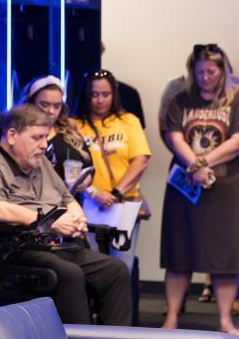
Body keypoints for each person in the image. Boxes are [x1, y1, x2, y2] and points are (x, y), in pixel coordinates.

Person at [0, 104, 132, 325]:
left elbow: (67, 198)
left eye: (45, 137)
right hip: (2, 252)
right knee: (69, 274)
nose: (44, 145)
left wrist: (77, 218)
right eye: (37, 138)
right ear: (12, 135)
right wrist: (51, 222)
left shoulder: (41, 164)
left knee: (114, 270)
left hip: (47, 247)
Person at [160, 44, 239, 334]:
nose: (205, 77)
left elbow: (236, 141)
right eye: (200, 71)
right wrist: (195, 167)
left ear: (223, 70)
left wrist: (204, 162)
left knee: (225, 257)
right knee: (179, 252)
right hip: (185, 186)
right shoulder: (180, 99)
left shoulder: (236, 99)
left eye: (211, 71)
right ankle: (171, 317)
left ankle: (224, 321)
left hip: (226, 187)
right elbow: (174, 136)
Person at [72, 69, 151, 273]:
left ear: (113, 95)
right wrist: (93, 193)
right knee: (92, 266)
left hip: (123, 204)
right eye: (94, 94)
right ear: (86, 96)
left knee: (123, 265)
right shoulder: (75, 125)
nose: (100, 100)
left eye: (105, 95)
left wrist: (116, 193)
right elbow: (70, 169)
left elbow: (140, 161)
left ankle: (121, 306)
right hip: (90, 204)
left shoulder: (128, 121)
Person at [20, 75, 92, 197]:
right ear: (30, 103)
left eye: (56, 106)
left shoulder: (70, 132)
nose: (51, 111)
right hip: (32, 204)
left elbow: (88, 166)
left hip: (70, 206)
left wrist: (86, 179)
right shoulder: (19, 134)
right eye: (44, 104)